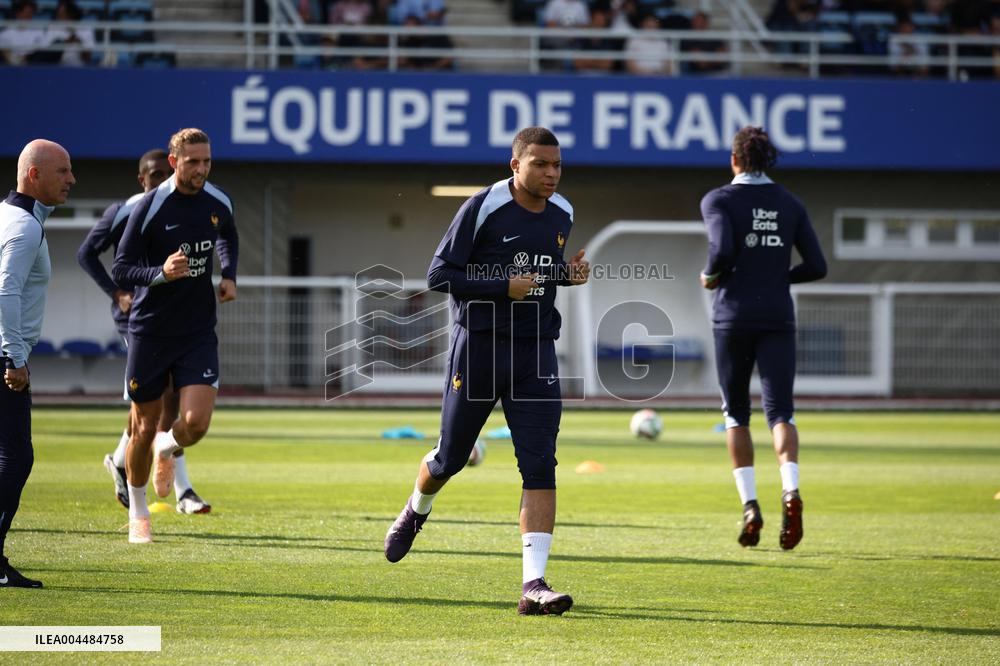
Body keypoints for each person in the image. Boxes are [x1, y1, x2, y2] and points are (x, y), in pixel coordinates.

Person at [384, 127, 589, 616]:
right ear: (515, 165)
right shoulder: (482, 207)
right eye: (541, 164)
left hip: (535, 351)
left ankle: (533, 584)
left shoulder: (564, 213)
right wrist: (502, 287)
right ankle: (417, 508)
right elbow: (439, 275)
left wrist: (567, 274)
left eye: (557, 165)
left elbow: (540, 272)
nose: (551, 174)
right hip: (478, 348)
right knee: (450, 458)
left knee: (540, 464)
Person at [699, 126, 827, 551]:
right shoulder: (790, 203)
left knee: (736, 414)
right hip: (777, 315)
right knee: (781, 412)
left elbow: (721, 249)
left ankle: (750, 505)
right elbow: (817, 266)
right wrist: (777, 276)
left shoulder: (719, 199)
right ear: (768, 161)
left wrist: (711, 275)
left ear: (735, 160)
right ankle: (791, 490)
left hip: (733, 316)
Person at [112, 128, 238, 544]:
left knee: (196, 424)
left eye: (206, 161)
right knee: (143, 426)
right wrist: (159, 274)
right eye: (192, 162)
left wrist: (229, 274)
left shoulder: (218, 202)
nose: (201, 169)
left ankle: (169, 447)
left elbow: (229, 235)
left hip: (197, 329)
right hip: (150, 331)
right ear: (173, 162)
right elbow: (122, 268)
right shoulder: (149, 206)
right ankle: (138, 508)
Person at [77, 149, 212, 516]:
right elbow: (87, 254)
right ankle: (172, 486)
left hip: (177, 318)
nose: (157, 182)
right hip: (138, 318)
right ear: (142, 179)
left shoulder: (184, 207)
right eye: (151, 176)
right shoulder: (127, 210)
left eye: (160, 175)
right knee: (155, 403)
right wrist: (117, 293)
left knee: (168, 404)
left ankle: (137, 467)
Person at [0, 139, 75, 587]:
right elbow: (6, 290)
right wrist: (13, 356)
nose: (71, 179)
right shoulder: (24, 227)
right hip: (6, 357)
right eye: (63, 171)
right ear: (34, 175)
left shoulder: (11, 217)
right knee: (16, 455)